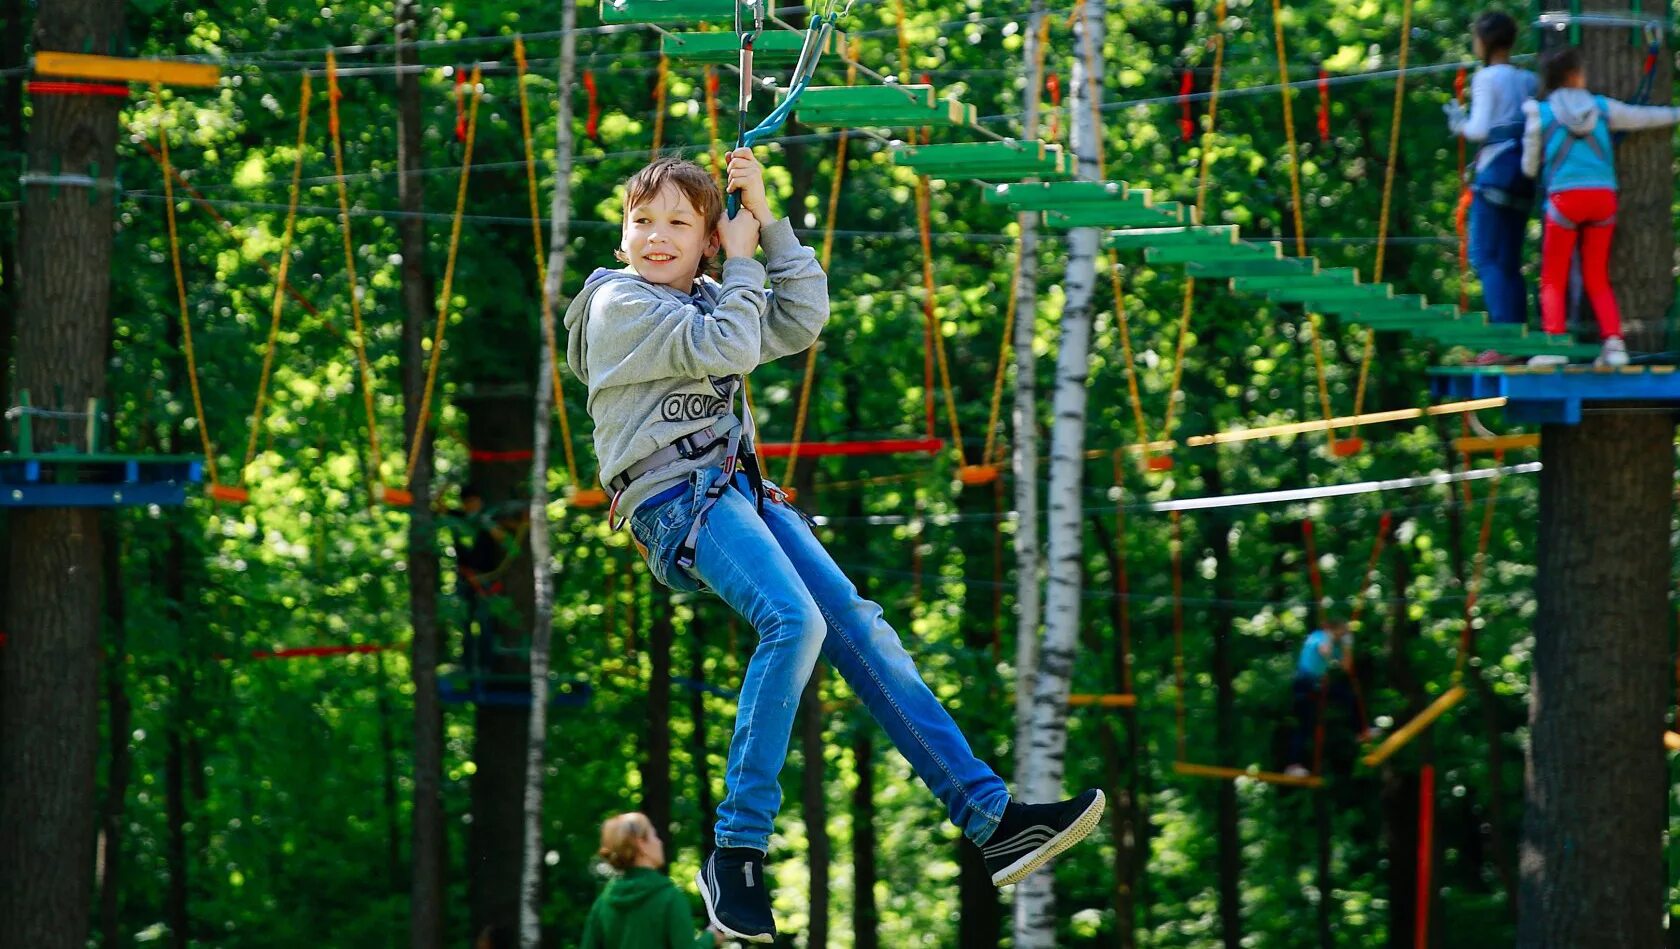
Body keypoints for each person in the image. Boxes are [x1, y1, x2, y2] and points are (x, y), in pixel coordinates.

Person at [563, 152, 1104, 944]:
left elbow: (800, 317)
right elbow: (733, 347)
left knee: (856, 623)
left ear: (706, 239)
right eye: (642, 222)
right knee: (795, 621)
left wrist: (768, 219)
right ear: (622, 236)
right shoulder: (618, 302)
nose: (655, 237)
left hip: (735, 490)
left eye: (679, 222)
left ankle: (994, 820)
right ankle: (737, 851)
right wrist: (740, 259)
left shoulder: (717, 291)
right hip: (673, 501)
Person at [1521, 46, 1680, 368]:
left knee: (1553, 277)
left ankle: (1555, 343)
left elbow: (1528, 167)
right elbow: (1644, 118)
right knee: (1597, 275)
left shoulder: (1540, 113)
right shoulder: (1602, 108)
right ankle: (1614, 344)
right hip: (1603, 199)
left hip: (1564, 201)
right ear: (1577, 75)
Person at [1444, 11, 1537, 360]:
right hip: (1523, 174)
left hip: (1495, 173)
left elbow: (1480, 129)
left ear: (1484, 41)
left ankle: (1505, 339)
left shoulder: (1486, 78)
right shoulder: (1527, 78)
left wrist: (1459, 123)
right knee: (1510, 261)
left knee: (1485, 256)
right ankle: (1520, 337)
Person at [580, 813, 723, 949]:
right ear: (641, 843)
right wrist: (710, 938)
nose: (659, 842)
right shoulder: (670, 898)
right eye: (654, 835)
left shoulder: (603, 904)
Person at [1285, 619, 1380, 778]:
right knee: (1305, 725)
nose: (1344, 633)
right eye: (1342, 630)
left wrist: (1348, 645)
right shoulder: (1318, 636)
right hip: (1304, 682)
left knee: (1349, 697)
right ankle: (1293, 765)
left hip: (1318, 684)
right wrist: (1330, 636)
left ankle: (1361, 732)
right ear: (1335, 629)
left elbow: (1346, 667)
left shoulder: (1335, 644)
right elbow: (1324, 651)